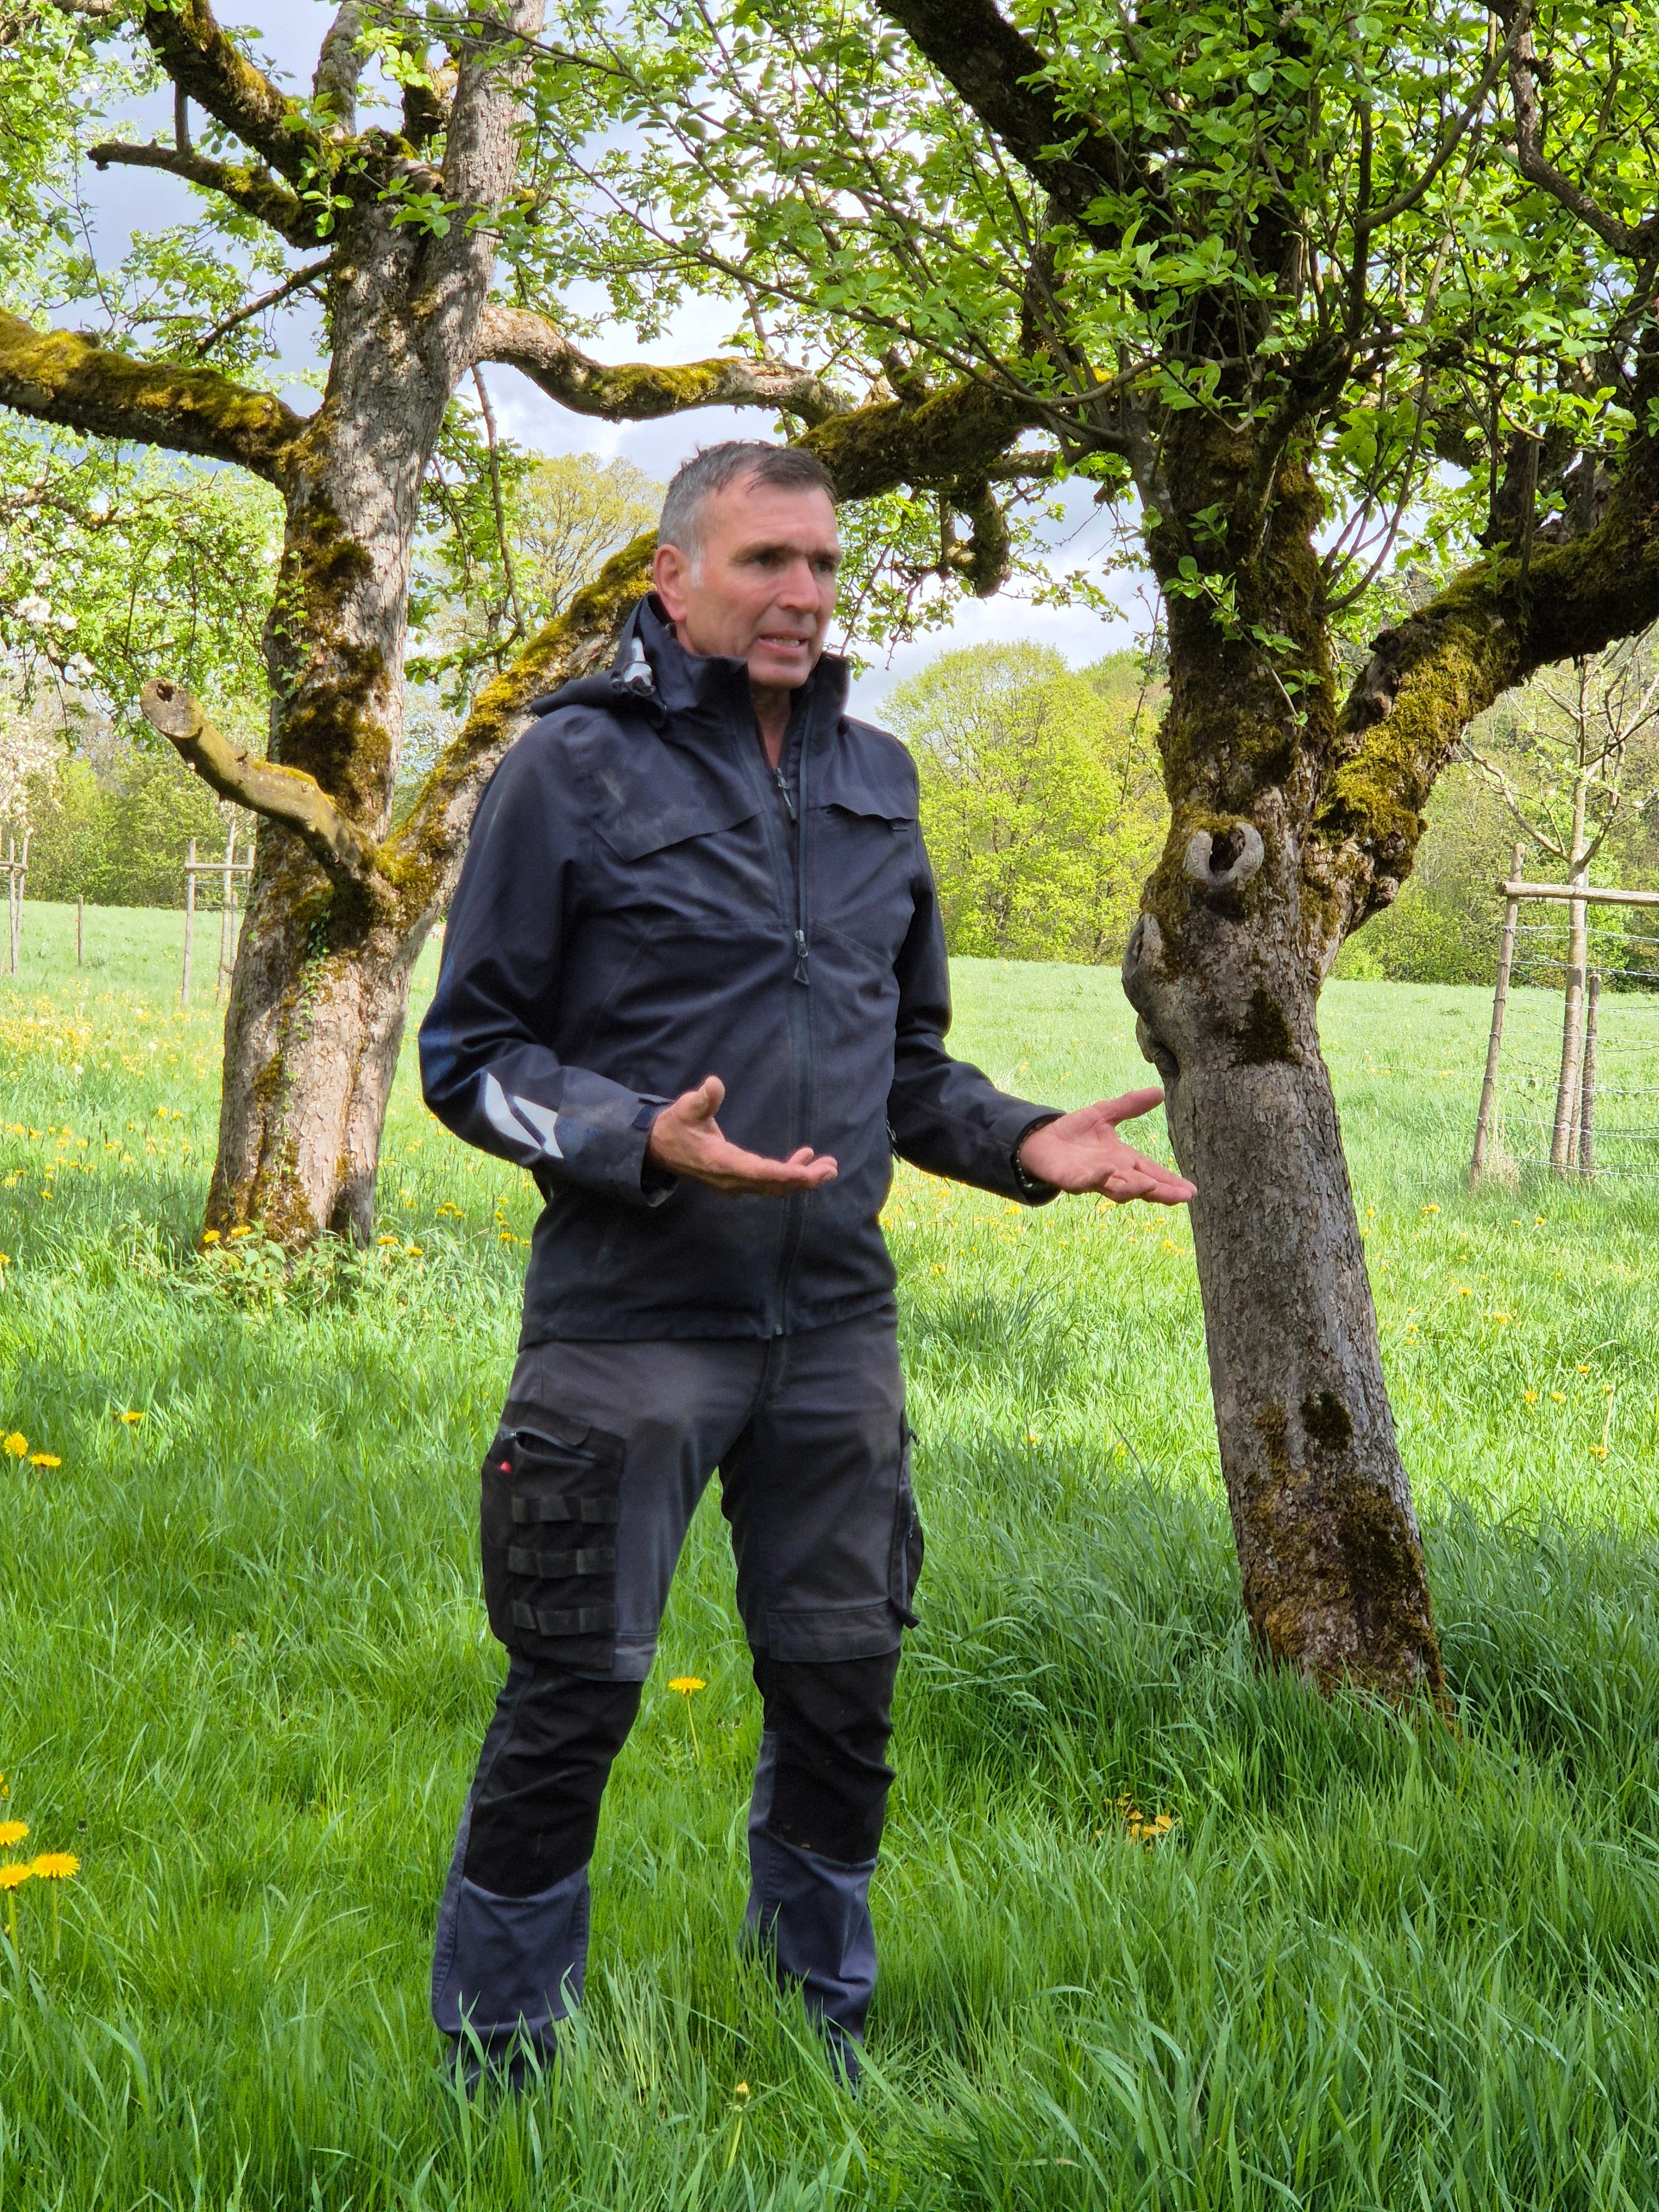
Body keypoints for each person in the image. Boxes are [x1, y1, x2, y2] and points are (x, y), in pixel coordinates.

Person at [419, 440, 1194, 2084]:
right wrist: (641, 1137)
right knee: (575, 1698)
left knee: (845, 1699)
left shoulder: (878, 782)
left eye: (826, 565)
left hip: (834, 1330)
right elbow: (469, 1057)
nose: (804, 595)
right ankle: (498, 2069)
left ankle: (816, 2036)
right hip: (629, 1324)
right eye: (766, 560)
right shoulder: (570, 770)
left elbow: (906, 1068)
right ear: (673, 577)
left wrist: (1023, 1141)